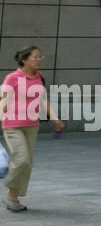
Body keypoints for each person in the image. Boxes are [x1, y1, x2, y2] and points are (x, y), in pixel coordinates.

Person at [1, 47, 64, 211]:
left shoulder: (39, 77)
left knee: (27, 163)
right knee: (21, 159)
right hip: (12, 125)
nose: (39, 59)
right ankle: (8, 185)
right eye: (36, 57)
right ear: (25, 60)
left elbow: (44, 100)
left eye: (39, 56)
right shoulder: (12, 78)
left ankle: (12, 197)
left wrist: (55, 118)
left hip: (31, 126)